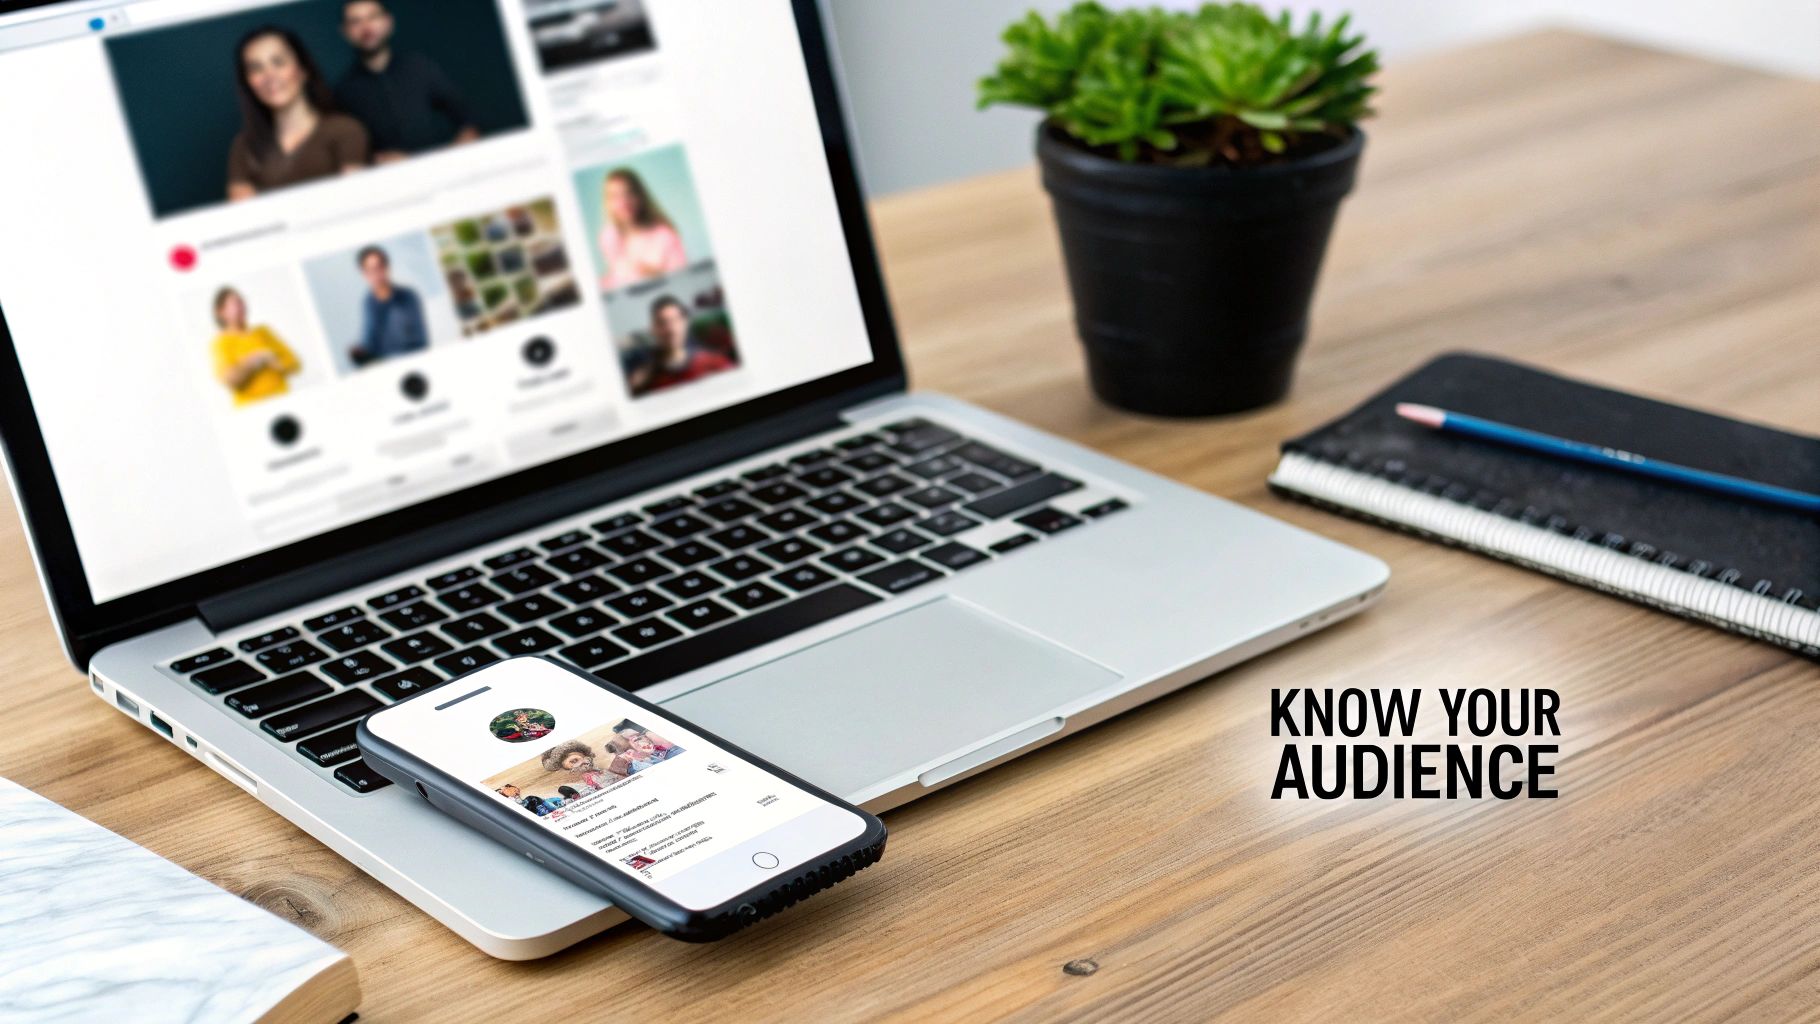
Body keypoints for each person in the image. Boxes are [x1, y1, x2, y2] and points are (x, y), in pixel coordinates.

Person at [227, 27, 369, 200]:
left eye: (278, 62)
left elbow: (356, 204)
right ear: (248, 83)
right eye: (256, 68)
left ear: (303, 70)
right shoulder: (243, 147)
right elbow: (246, 220)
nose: (269, 75)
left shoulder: (346, 130)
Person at [334, 0, 479, 163]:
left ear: (388, 22)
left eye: (372, 17)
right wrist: (375, 161)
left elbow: (468, 120)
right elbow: (347, 154)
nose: (366, 27)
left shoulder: (420, 67)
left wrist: (452, 158)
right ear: (345, 32)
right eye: (355, 21)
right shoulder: (343, 92)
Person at [596, 169, 687, 290]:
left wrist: (656, 274)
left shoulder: (665, 235)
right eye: (614, 196)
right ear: (608, 202)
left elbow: (682, 279)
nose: (623, 202)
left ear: (640, 196)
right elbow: (617, 276)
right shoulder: (609, 235)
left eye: (628, 193)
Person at [626, 296, 735, 395]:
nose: (671, 329)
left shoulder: (714, 362)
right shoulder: (644, 376)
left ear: (685, 323)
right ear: (653, 329)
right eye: (662, 323)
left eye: (676, 320)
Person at [211, 286, 301, 406]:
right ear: (221, 312)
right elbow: (230, 380)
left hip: (283, 399)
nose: (242, 306)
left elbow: (295, 364)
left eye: (242, 301)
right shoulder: (219, 343)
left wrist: (270, 360)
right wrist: (256, 359)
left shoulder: (264, 331)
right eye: (235, 303)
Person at [351, 245, 429, 365]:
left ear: (387, 267)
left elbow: (421, 342)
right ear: (364, 274)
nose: (376, 274)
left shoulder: (408, 296)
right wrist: (360, 354)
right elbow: (369, 343)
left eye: (379, 267)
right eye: (370, 270)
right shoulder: (368, 303)